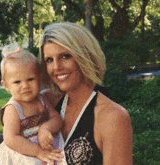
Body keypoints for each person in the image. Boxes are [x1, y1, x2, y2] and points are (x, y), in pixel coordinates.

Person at [40, 22, 133, 165]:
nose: (56, 67)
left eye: (65, 56)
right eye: (49, 60)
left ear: (84, 56)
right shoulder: (48, 102)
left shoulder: (112, 117)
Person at [0, 46, 66, 165]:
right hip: (26, 154)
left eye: (30, 79)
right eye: (17, 82)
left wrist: (46, 128)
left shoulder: (41, 99)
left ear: (39, 78)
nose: (25, 86)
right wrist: (37, 151)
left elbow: (57, 119)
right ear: (6, 85)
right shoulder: (13, 109)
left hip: (47, 148)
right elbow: (10, 139)